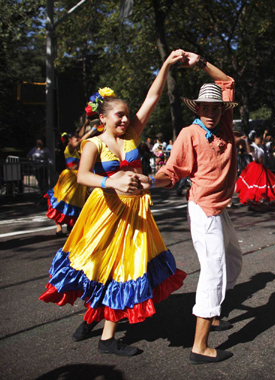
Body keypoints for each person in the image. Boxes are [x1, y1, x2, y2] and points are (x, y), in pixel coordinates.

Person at [39, 50, 191, 357]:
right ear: (103, 118)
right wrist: (112, 181)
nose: (125, 118)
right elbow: (82, 176)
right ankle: (98, 326)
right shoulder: (92, 143)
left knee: (122, 268)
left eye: (127, 113)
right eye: (118, 115)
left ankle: (98, 327)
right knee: (99, 267)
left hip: (134, 213)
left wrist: (165, 65)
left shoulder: (133, 134)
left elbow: (154, 95)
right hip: (104, 212)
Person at [146, 56, 242, 364]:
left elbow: (226, 81)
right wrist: (147, 181)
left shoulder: (225, 124)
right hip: (203, 209)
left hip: (220, 208)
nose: (211, 112)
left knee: (233, 261)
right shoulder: (189, 134)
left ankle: (211, 314)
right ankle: (200, 345)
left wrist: (199, 62)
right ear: (197, 108)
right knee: (213, 272)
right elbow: (172, 172)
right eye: (205, 107)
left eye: (215, 107)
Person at [44, 127, 98, 236]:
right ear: (69, 140)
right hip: (68, 179)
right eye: (76, 139)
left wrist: (86, 122)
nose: (79, 140)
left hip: (78, 180)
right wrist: (92, 130)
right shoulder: (69, 148)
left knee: (76, 203)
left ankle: (71, 225)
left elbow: (79, 138)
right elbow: (81, 139)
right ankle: (59, 227)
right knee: (62, 201)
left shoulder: (79, 150)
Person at [236, 129, 275, 209]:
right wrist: (246, 141)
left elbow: (264, 142)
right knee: (257, 186)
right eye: (258, 138)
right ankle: (255, 202)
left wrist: (265, 134)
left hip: (261, 168)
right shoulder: (253, 146)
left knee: (265, 185)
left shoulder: (259, 147)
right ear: (255, 139)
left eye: (260, 138)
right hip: (256, 168)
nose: (260, 140)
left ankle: (257, 202)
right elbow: (249, 150)